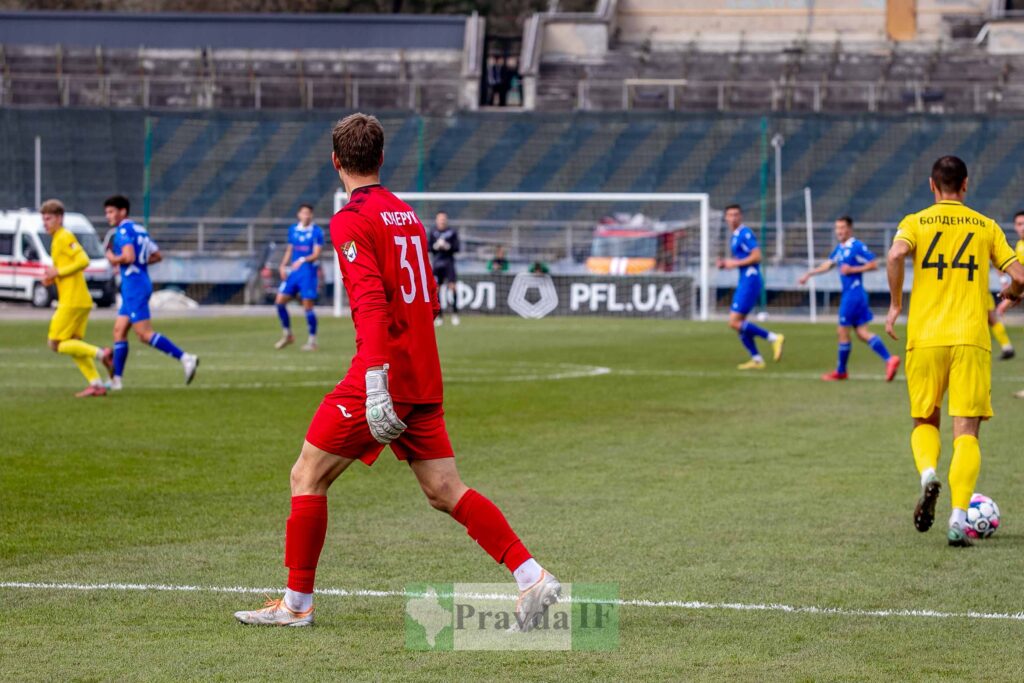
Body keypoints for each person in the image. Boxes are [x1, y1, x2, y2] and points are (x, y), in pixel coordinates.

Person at [234, 113, 559, 628]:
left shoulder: (349, 219)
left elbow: (368, 304)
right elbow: (428, 303)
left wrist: (376, 380)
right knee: (444, 490)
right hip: (421, 373)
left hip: (380, 374)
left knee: (307, 474)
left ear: (336, 161)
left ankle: (296, 605)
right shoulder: (407, 216)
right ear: (382, 159)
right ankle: (532, 577)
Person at [885, 155, 1024, 548]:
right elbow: (1019, 276)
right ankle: (959, 519)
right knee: (968, 430)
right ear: (966, 185)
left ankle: (929, 474)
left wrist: (896, 305)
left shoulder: (915, 221)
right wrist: (1012, 295)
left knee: (924, 420)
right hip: (970, 338)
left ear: (932, 186)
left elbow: (895, 255)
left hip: (925, 337)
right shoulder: (986, 226)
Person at [104, 195, 198, 389]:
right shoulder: (140, 229)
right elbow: (157, 255)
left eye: (111, 211)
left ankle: (186, 358)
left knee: (144, 334)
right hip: (140, 281)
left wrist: (114, 259)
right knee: (119, 330)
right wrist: (138, 262)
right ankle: (116, 380)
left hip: (134, 286)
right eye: (107, 212)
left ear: (123, 211)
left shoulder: (122, 231)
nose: (108, 216)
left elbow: (128, 257)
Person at [799, 216, 900, 381]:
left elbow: (874, 264)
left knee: (842, 331)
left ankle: (841, 371)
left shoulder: (856, 246)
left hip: (853, 294)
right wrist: (810, 274)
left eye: (842, 227)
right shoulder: (840, 249)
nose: (839, 231)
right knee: (862, 333)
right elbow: (828, 264)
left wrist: (853, 269)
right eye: (837, 228)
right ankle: (890, 359)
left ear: (850, 229)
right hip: (854, 294)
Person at [39, 199, 113, 397]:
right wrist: (52, 278)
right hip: (77, 299)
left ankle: (102, 354)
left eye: (49, 218)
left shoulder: (64, 236)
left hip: (72, 300)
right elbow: (65, 271)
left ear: (60, 218)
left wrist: (58, 272)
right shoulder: (57, 239)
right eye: (44, 219)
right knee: (73, 345)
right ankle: (96, 384)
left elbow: (83, 260)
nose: (45, 223)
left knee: (55, 343)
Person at [717, 204, 784, 370]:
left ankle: (773, 338)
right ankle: (756, 359)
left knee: (733, 322)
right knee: (740, 322)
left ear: (741, 217)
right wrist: (728, 264)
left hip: (750, 280)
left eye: (736, 215)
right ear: (726, 218)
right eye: (730, 215)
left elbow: (757, 256)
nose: (733, 218)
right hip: (745, 279)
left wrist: (734, 263)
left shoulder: (744, 233)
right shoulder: (735, 236)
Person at [274, 204, 325, 351]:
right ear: (299, 214)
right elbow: (290, 249)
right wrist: (283, 265)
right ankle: (288, 334)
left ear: (312, 215)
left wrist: (302, 260)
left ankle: (312, 341)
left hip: (308, 272)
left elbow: (316, 253)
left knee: (307, 305)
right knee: (279, 302)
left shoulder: (317, 232)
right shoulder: (293, 230)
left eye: (309, 213)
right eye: (304, 213)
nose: (306, 216)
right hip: (294, 272)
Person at [428, 211, 460, 327]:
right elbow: (428, 247)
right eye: (440, 219)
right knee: (436, 289)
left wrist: (448, 246)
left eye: (443, 219)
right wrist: (435, 246)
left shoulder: (452, 232)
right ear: (437, 220)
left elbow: (457, 248)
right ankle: (439, 316)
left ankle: (455, 314)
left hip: (449, 263)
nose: (442, 221)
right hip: (437, 264)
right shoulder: (433, 232)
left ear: (446, 220)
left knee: (452, 287)